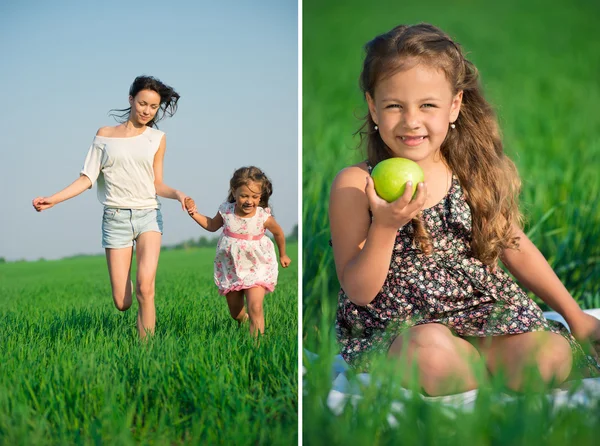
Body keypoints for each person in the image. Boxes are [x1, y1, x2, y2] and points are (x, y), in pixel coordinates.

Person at [329, 23, 600, 396]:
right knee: (432, 358)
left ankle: (480, 366)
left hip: (482, 312)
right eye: (394, 106)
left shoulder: (469, 173)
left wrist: (575, 317)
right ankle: (471, 372)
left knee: (548, 356)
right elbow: (359, 291)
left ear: (454, 105)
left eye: (428, 105)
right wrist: (386, 226)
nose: (411, 121)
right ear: (373, 107)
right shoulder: (356, 184)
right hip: (403, 328)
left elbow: (512, 245)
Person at [32, 75, 190, 339]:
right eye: (142, 104)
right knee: (122, 302)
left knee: (145, 288)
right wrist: (53, 199)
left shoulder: (157, 138)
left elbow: (156, 183)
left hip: (148, 215)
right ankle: (125, 281)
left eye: (153, 107)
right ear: (131, 100)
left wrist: (178, 194)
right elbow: (86, 178)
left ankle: (147, 352)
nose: (147, 111)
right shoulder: (104, 135)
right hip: (115, 218)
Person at [184, 166, 291, 336]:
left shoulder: (263, 216)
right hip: (232, 267)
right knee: (235, 313)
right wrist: (194, 214)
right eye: (244, 196)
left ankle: (257, 346)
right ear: (234, 193)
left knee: (255, 307)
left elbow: (278, 232)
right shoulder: (226, 211)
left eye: (255, 197)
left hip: (257, 266)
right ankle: (243, 320)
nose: (249, 201)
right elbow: (211, 225)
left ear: (261, 196)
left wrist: (283, 254)